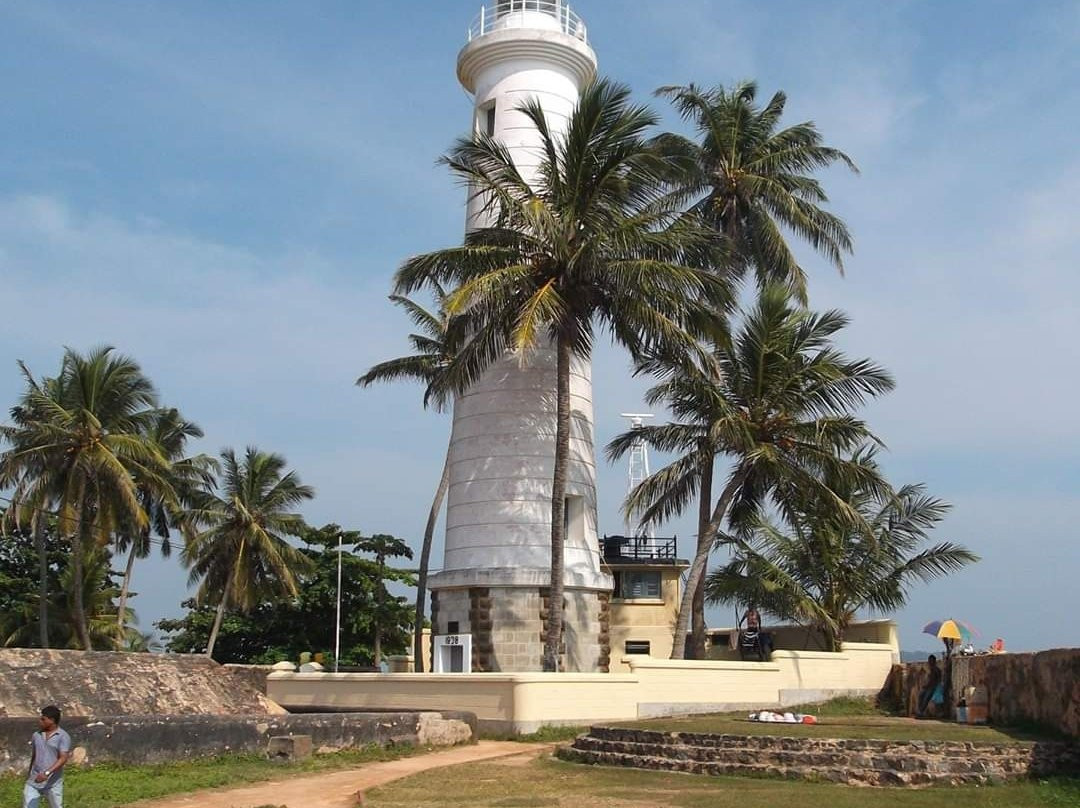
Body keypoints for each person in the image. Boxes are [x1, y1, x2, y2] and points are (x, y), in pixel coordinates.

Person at [24, 705, 71, 808]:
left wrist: (47, 773)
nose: (40, 721)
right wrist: (29, 774)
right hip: (34, 780)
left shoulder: (63, 736)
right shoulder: (36, 735)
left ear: (51, 720)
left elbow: (63, 758)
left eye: (43, 719)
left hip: (52, 782)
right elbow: (34, 755)